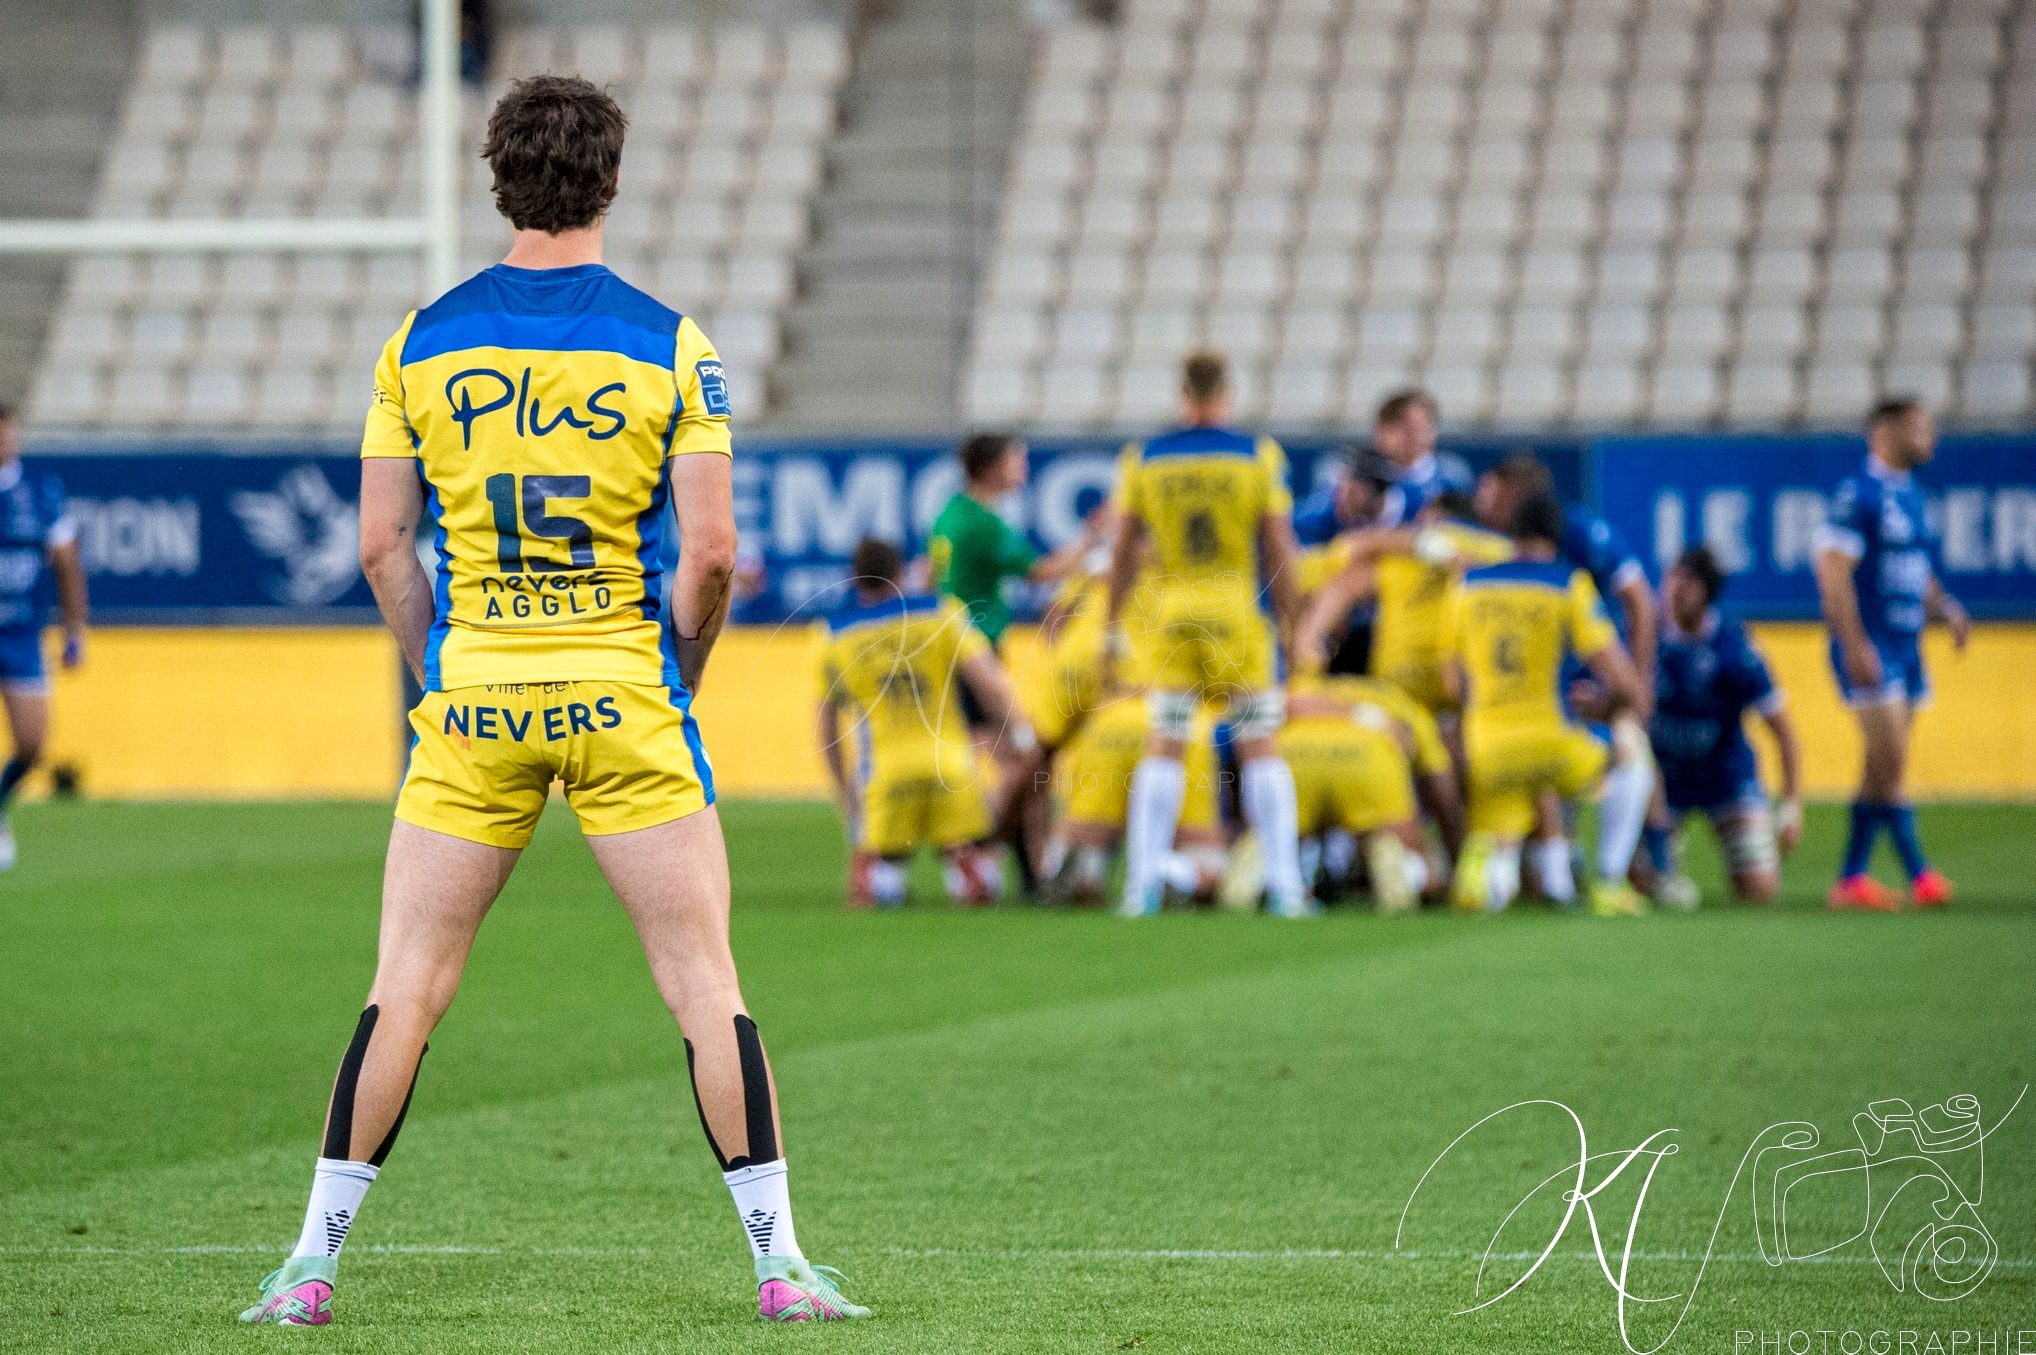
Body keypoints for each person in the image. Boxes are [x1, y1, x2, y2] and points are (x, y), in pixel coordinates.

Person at [239, 77, 868, 1328]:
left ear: (497, 179)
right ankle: (781, 1265)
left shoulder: (420, 338)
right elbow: (713, 552)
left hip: (474, 697)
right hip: (623, 694)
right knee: (703, 984)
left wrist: (439, 673)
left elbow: (379, 545)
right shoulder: (673, 343)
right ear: (612, 182)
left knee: (406, 981)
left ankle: (307, 1265)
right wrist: (674, 669)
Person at [1104, 350, 1309, 917]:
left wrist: (1111, 624)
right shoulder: (1257, 456)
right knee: (1259, 745)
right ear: (1226, 394)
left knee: (1165, 743)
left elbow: (1123, 550)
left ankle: (1140, 887)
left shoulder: (1143, 459)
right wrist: (1296, 622)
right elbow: (1279, 546)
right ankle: (1286, 889)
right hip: (1235, 616)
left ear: (1182, 394)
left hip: (1172, 618)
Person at [1441, 492, 1654, 916]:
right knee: (1632, 753)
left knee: (1504, 821)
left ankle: (1492, 877)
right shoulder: (1567, 585)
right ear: (1555, 537)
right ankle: (1610, 882)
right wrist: (1601, 707)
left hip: (1488, 749)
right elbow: (1625, 681)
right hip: (1552, 744)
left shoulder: (1468, 586)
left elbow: (1451, 682)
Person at [926, 432, 1099, 895]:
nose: (1022, 467)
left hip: (960, 654)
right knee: (1026, 762)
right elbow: (1043, 572)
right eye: (1014, 459)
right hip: (975, 658)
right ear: (989, 468)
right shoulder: (982, 523)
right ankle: (977, 847)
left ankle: (1031, 873)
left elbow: (929, 578)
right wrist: (1095, 538)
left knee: (1024, 764)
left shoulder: (950, 514)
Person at [1813, 399, 1969, 910]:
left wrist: (1943, 606)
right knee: (1891, 762)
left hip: (1907, 645)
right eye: (1920, 429)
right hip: (1873, 645)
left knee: (1880, 769)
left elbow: (1913, 568)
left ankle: (1851, 879)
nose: (1931, 438)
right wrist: (1854, 644)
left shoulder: (1911, 496)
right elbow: (1832, 572)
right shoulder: (1857, 494)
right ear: (1885, 431)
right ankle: (1919, 873)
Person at [816, 537, 1030, 908]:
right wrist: (1021, 734)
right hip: (951, 769)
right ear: (900, 573)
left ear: (854, 579)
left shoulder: (834, 635)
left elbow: (826, 730)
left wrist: (844, 794)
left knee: (878, 887)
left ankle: (879, 871)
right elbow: (991, 683)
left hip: (884, 775)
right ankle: (964, 863)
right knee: (977, 872)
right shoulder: (941, 613)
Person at [1647, 548, 1803, 905]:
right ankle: (1661, 852)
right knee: (1640, 884)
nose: (1674, 589)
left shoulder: (1735, 647)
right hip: (1664, 779)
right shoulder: (1645, 638)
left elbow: (1784, 732)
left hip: (1726, 776)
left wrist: (1791, 808)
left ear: (1707, 592)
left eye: (1687, 582)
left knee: (1759, 889)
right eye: (1672, 578)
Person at [1282, 674, 1456, 911]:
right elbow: (1440, 786)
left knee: (1288, 832)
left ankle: (1273, 862)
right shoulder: (1400, 701)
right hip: (1370, 763)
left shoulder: (1303, 685)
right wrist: (1451, 847)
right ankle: (1409, 867)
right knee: (1421, 865)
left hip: (1297, 757)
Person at [0, 405, 88, 870]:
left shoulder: (38, 491)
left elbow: (68, 563)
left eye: (7, 432)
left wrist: (75, 630)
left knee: (32, 744)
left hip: (19, 633)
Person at [1369, 388, 1475, 528]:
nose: (1404, 435)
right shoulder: (1356, 475)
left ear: (1432, 431)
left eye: (1413, 427)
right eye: (1395, 427)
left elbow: (1470, 527)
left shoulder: (1452, 475)